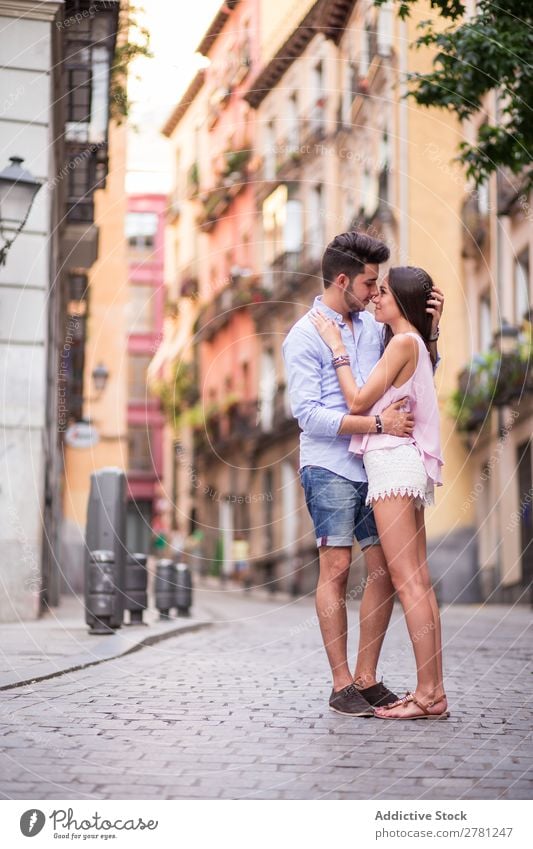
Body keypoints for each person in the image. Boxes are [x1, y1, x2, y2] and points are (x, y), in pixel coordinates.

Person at [282, 231, 443, 718]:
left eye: (382, 286)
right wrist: (376, 422)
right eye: (371, 283)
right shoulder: (304, 334)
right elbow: (308, 414)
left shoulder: (376, 327)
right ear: (343, 280)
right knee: (335, 568)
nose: (376, 293)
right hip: (330, 464)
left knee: (385, 573)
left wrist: (431, 327)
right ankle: (341, 683)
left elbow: (416, 373)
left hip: (378, 465)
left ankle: (367, 677)